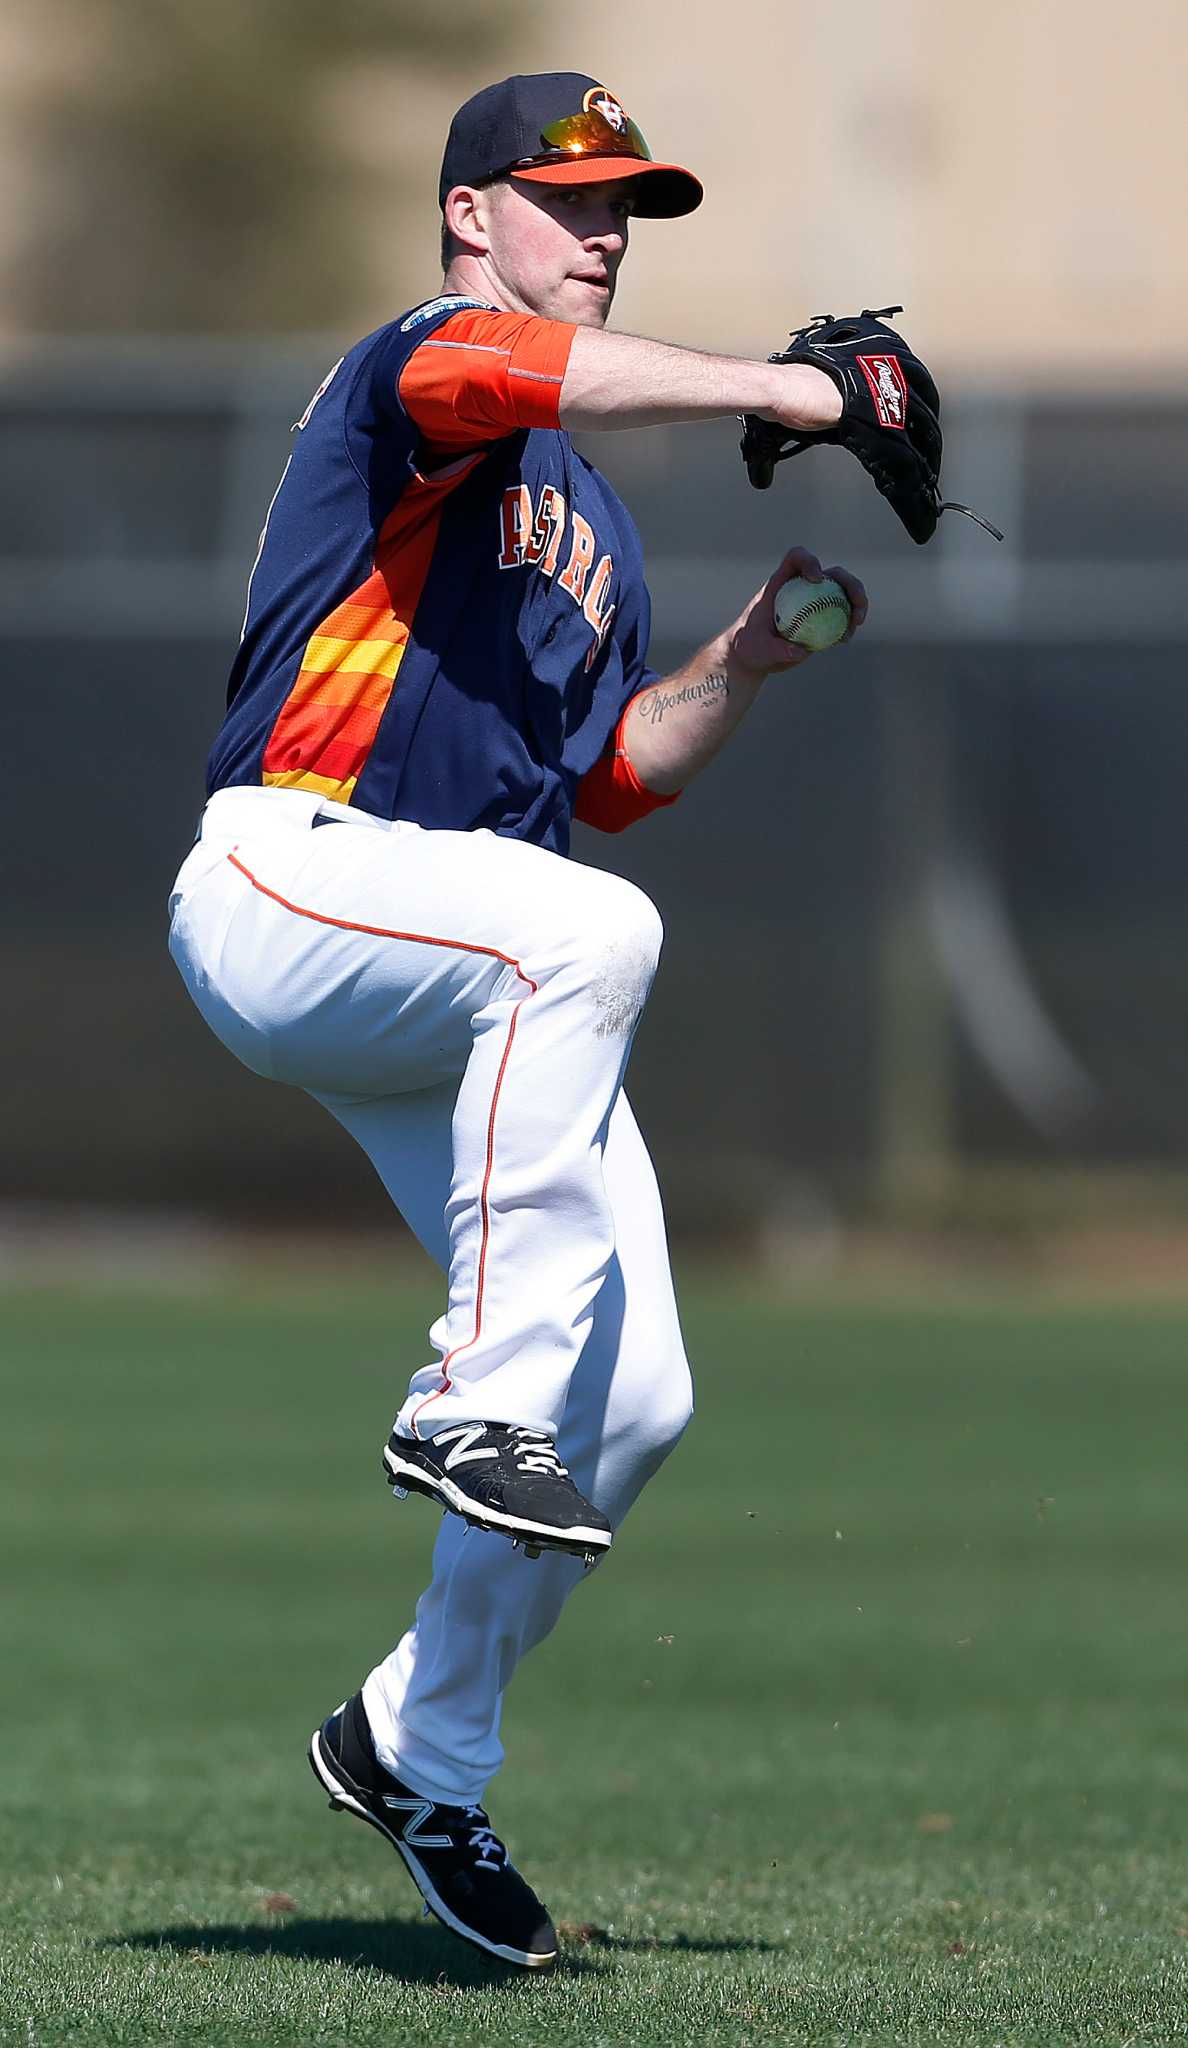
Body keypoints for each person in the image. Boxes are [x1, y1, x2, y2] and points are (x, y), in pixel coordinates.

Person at [168, 70, 867, 1971]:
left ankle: (418, 1744)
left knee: (637, 1402)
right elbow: (523, 372)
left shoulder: (598, 543)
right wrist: (798, 392)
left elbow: (612, 775)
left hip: (452, 958)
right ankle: (468, 1396)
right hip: (287, 878)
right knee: (590, 941)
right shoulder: (429, 369)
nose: (607, 228)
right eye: (569, 197)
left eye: (626, 201)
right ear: (471, 213)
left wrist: (746, 657)